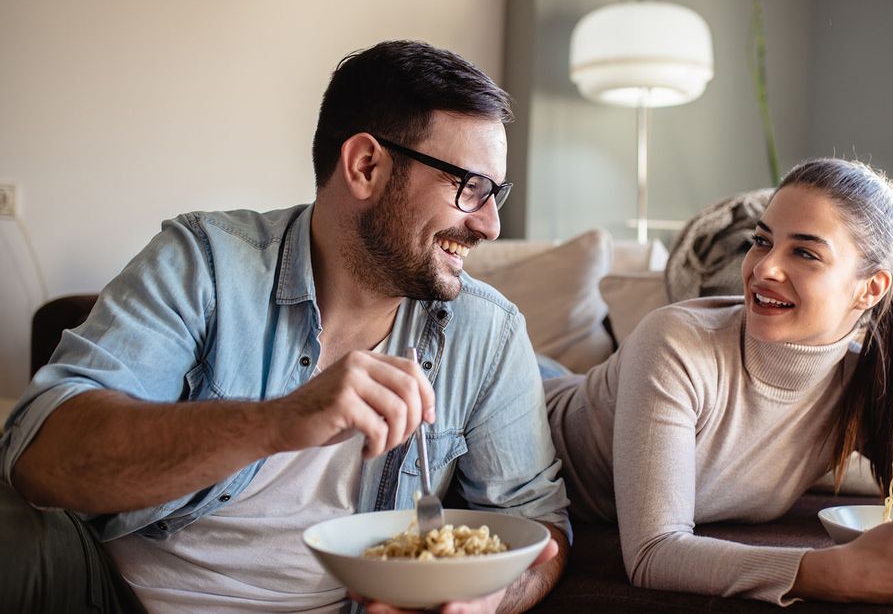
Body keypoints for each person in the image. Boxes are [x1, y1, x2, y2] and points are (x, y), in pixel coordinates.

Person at [0, 40, 569, 613]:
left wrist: (492, 600)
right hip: (117, 598)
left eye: (495, 193)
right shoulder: (206, 263)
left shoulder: (488, 334)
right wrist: (278, 422)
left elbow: (537, 522)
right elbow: (40, 455)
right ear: (366, 166)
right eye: (469, 187)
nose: (491, 225)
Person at [544, 157, 893, 606]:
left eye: (803, 252)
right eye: (761, 240)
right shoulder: (678, 343)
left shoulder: (873, 383)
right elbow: (653, 552)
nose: (763, 269)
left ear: (869, 289)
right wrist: (838, 572)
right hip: (526, 410)